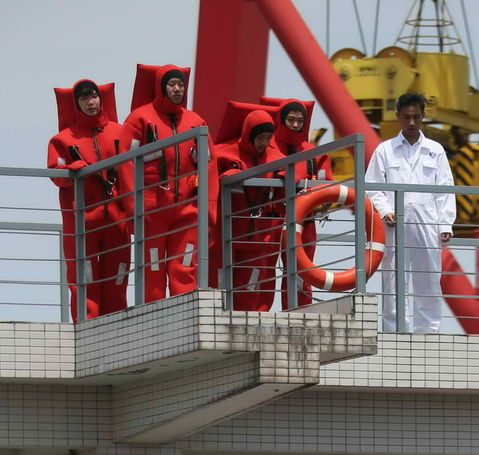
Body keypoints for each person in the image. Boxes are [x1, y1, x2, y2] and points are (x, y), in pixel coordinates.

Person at [122, 65, 217, 302]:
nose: (177, 89)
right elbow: (125, 163)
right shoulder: (139, 119)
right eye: (172, 84)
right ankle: (153, 322)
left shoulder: (196, 122)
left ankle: (183, 319)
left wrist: (209, 208)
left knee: (184, 266)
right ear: (161, 87)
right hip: (153, 209)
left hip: (187, 209)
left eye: (181, 84)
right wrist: (134, 206)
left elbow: (210, 165)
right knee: (153, 267)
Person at [366, 92, 455, 333]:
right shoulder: (385, 150)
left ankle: (428, 332)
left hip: (427, 223)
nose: (412, 123)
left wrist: (446, 224)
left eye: (417, 117)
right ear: (398, 117)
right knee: (394, 279)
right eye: (407, 117)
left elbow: (445, 189)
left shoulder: (435, 150)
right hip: (393, 224)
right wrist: (385, 210)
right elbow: (372, 186)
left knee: (428, 278)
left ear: (424, 116)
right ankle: (396, 332)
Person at [48, 80, 132, 321]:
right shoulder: (61, 140)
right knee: (85, 282)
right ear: (76, 104)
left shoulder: (121, 132)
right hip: (82, 222)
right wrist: (74, 168)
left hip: (117, 219)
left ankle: (116, 333)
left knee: (118, 278)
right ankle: (86, 334)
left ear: (100, 98)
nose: (90, 102)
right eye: (84, 98)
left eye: (93, 96)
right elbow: (56, 175)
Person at [259, 97, 331, 308]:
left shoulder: (313, 153)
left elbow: (329, 186)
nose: (296, 125)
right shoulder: (264, 145)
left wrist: (316, 191)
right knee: (263, 272)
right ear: (280, 120)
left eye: (300, 121)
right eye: (291, 119)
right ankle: (257, 315)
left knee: (302, 274)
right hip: (270, 221)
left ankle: (298, 316)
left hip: (304, 223)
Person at [213, 104, 284, 310]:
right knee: (218, 290)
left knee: (250, 290)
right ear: (249, 134)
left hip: (258, 241)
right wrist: (223, 178)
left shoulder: (278, 160)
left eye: (268, 137)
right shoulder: (223, 154)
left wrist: (287, 181)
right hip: (225, 237)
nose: (264, 143)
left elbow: (284, 200)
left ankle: (244, 334)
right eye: (259, 137)